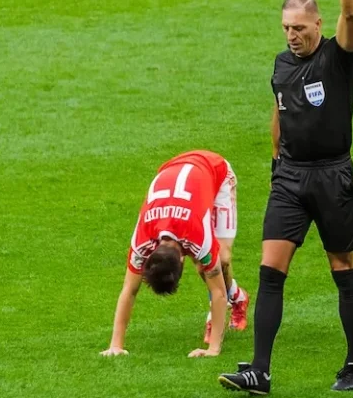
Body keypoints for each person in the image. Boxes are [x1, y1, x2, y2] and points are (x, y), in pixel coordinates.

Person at [219, 0, 353, 396]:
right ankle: (259, 371)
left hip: (332, 176)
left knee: (343, 270)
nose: (292, 36)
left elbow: (351, 10)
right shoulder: (282, 63)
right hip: (290, 178)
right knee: (270, 272)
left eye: (299, 28)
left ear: (318, 25)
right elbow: (279, 111)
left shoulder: (337, 55)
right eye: (286, 28)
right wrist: (276, 162)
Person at [102, 150, 248, 358]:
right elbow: (129, 289)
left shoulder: (198, 238)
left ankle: (233, 303)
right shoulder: (142, 240)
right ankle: (238, 296)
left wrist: (213, 349)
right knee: (208, 267)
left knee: (219, 260)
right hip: (177, 170)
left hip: (216, 172)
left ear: (183, 258)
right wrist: (116, 345)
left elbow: (218, 293)